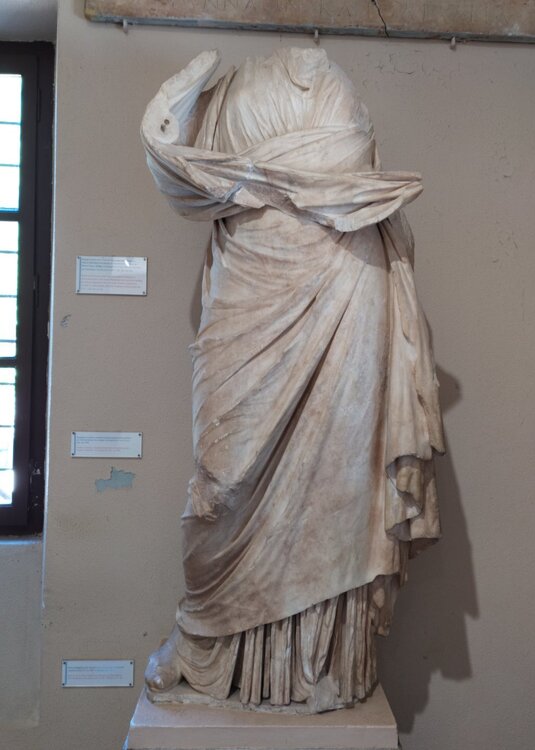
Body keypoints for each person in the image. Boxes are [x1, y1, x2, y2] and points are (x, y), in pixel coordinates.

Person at [141, 47, 444, 712]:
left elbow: (352, 162)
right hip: (252, 275)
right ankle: (206, 637)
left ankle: (320, 663)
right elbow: (181, 177)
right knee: (221, 476)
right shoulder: (218, 92)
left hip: (340, 274)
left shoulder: (325, 79)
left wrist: (269, 178)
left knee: (339, 477)